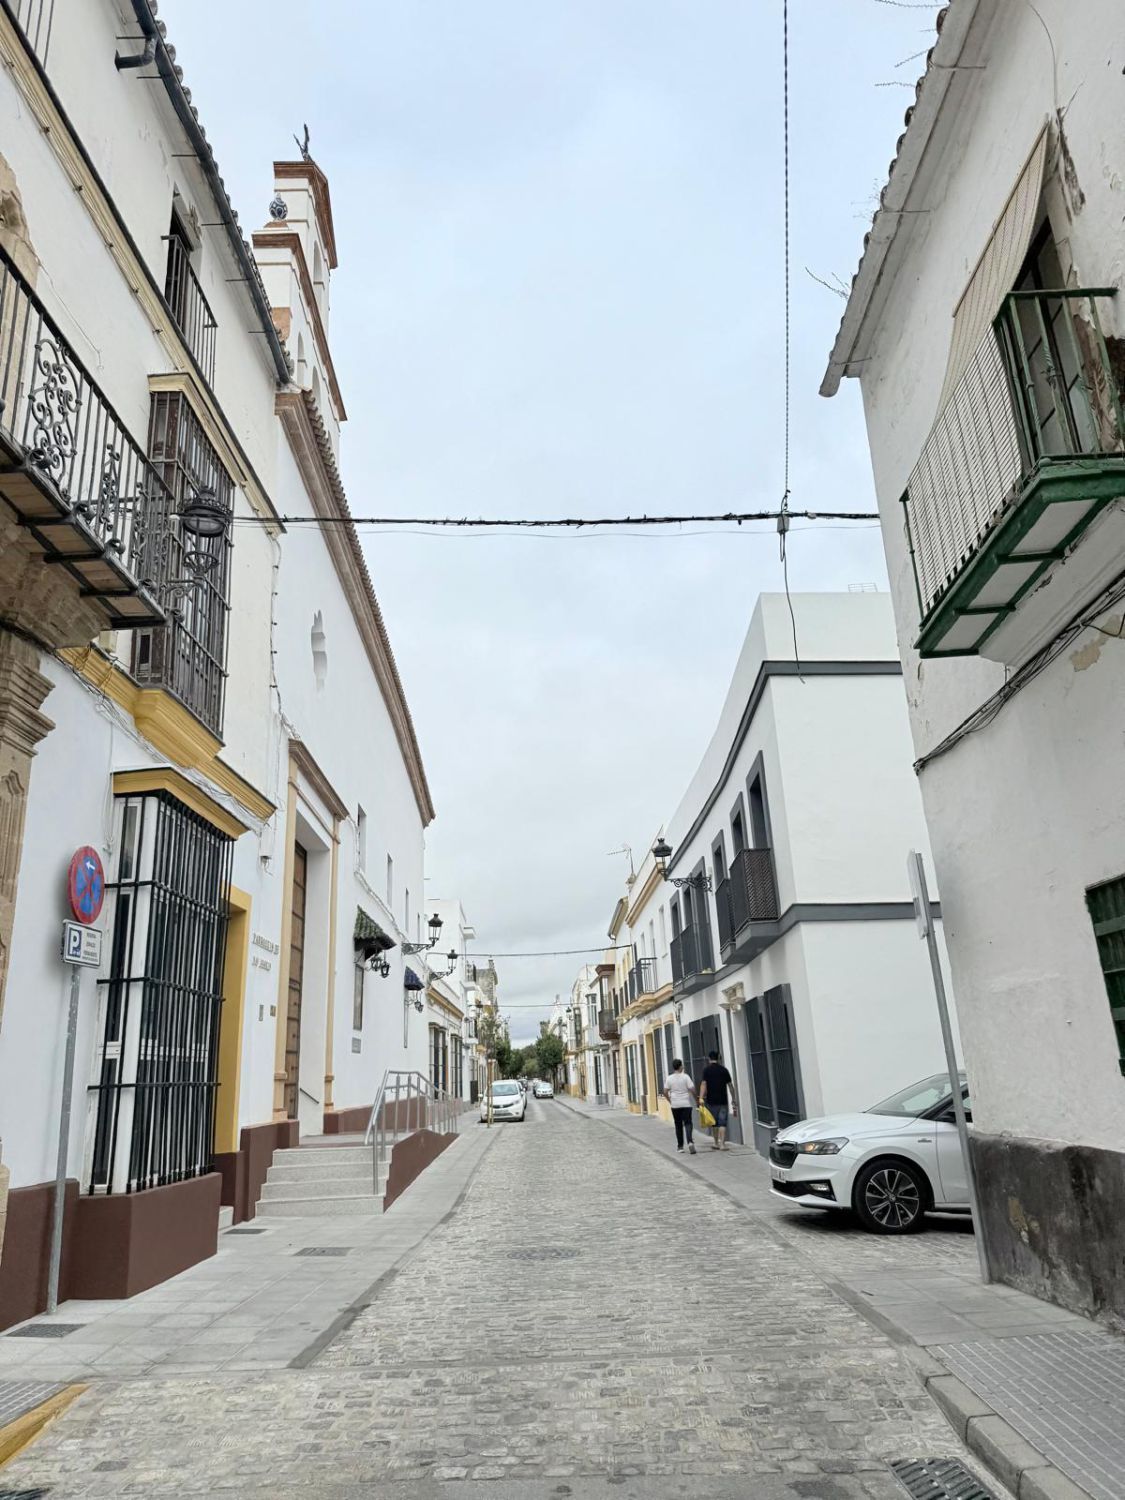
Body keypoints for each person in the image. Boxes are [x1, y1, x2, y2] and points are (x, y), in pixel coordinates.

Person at [699, 1049, 736, 1150]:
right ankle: (723, 1144)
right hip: (723, 1101)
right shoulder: (724, 1070)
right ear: (719, 1058)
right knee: (722, 1122)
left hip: (711, 1101)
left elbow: (703, 1084)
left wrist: (701, 1098)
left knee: (714, 1123)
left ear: (709, 1059)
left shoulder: (706, 1070)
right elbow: (730, 1085)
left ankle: (716, 1143)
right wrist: (733, 1098)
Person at [663, 1059, 697, 1155]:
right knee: (688, 1123)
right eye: (682, 1065)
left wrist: (670, 1101)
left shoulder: (669, 1078)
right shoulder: (685, 1077)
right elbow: (693, 1089)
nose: (683, 1067)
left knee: (678, 1125)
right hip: (686, 1104)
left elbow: (665, 1092)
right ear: (680, 1067)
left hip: (675, 1105)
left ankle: (680, 1146)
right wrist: (697, 1099)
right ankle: (690, 1142)